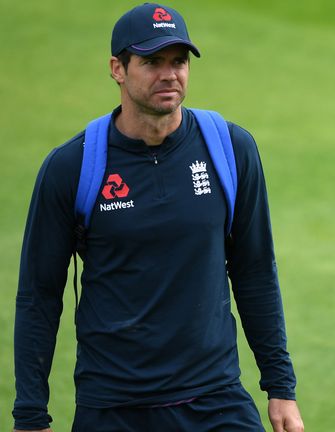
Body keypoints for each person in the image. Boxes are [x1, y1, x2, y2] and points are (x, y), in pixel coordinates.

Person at [13, 3, 304, 431]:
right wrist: (31, 416)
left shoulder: (230, 149)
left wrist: (281, 388)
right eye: (151, 62)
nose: (169, 74)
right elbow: (38, 296)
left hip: (216, 401)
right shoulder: (72, 167)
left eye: (179, 61)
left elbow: (255, 271)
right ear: (117, 68)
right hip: (114, 408)